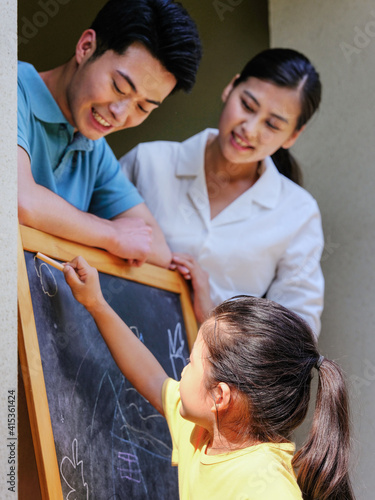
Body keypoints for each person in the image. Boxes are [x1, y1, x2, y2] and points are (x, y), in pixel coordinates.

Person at [63, 255, 354, 500]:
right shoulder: (202, 433)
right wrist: (96, 304)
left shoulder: (268, 487)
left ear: (220, 396)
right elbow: (151, 378)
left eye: (191, 362)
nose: (182, 370)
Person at [120, 48, 324, 334]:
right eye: (248, 105)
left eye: (272, 124)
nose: (250, 129)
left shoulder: (298, 212)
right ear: (231, 87)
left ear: (292, 136)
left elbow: (296, 336)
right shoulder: (148, 163)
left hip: (216, 375)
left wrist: (214, 318)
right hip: (109, 346)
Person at [17, 0, 202, 267]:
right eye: (118, 86)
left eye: (142, 106)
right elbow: (20, 201)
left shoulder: (94, 146)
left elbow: (157, 249)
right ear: (85, 47)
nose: (120, 113)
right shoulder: (12, 88)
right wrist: (111, 234)